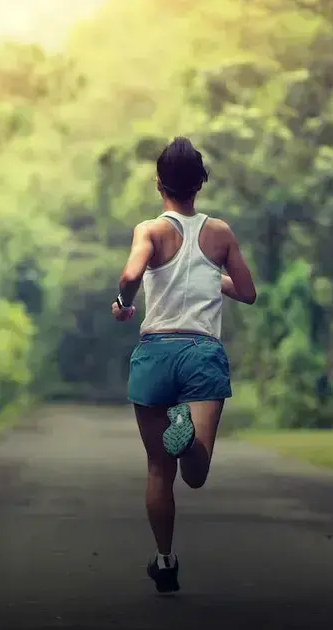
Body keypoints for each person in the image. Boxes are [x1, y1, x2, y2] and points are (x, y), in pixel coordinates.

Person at [111, 136, 257, 594]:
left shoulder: (150, 231)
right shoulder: (221, 233)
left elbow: (132, 275)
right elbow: (248, 292)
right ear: (201, 183)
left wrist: (122, 302)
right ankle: (189, 440)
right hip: (201, 353)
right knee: (195, 474)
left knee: (158, 469)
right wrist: (218, 278)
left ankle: (166, 560)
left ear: (159, 184)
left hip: (156, 352)